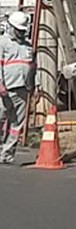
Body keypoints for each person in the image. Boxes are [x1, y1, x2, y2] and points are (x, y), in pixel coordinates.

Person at [0, 11, 36, 164]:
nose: (21, 33)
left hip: (22, 88)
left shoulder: (27, 45)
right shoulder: (2, 42)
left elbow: (33, 67)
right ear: (11, 27)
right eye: (18, 30)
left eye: (23, 30)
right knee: (1, 118)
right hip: (5, 88)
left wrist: (36, 86)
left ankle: (7, 154)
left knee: (16, 124)